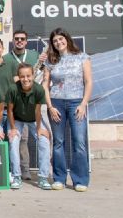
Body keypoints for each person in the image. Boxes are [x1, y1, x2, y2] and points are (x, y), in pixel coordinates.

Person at [43, 27, 92, 192]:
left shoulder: (82, 57)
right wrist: (50, 106)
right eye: (55, 41)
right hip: (57, 103)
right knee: (58, 142)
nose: (58, 42)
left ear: (67, 39)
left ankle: (80, 180)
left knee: (79, 142)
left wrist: (83, 104)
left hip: (76, 103)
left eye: (60, 39)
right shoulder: (50, 61)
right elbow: (45, 85)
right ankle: (59, 178)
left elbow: (88, 81)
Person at [7, 63, 52, 190]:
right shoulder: (12, 89)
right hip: (17, 120)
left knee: (44, 141)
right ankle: (16, 176)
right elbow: (10, 110)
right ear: (18, 77)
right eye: (22, 76)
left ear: (33, 75)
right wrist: (13, 128)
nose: (25, 79)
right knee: (13, 140)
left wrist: (39, 129)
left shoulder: (39, 90)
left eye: (28, 76)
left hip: (33, 119)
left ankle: (43, 178)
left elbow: (38, 111)